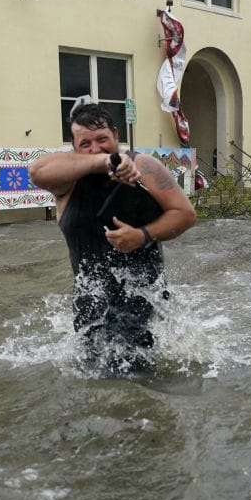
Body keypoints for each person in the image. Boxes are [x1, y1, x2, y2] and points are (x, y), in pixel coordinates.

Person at [29, 98, 197, 376]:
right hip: (90, 306)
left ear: (116, 135)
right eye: (86, 144)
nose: (95, 147)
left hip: (142, 298)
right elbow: (36, 171)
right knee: (93, 382)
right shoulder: (66, 182)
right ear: (74, 148)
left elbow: (185, 214)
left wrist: (142, 235)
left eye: (103, 139)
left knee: (138, 382)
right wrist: (103, 161)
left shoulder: (144, 167)